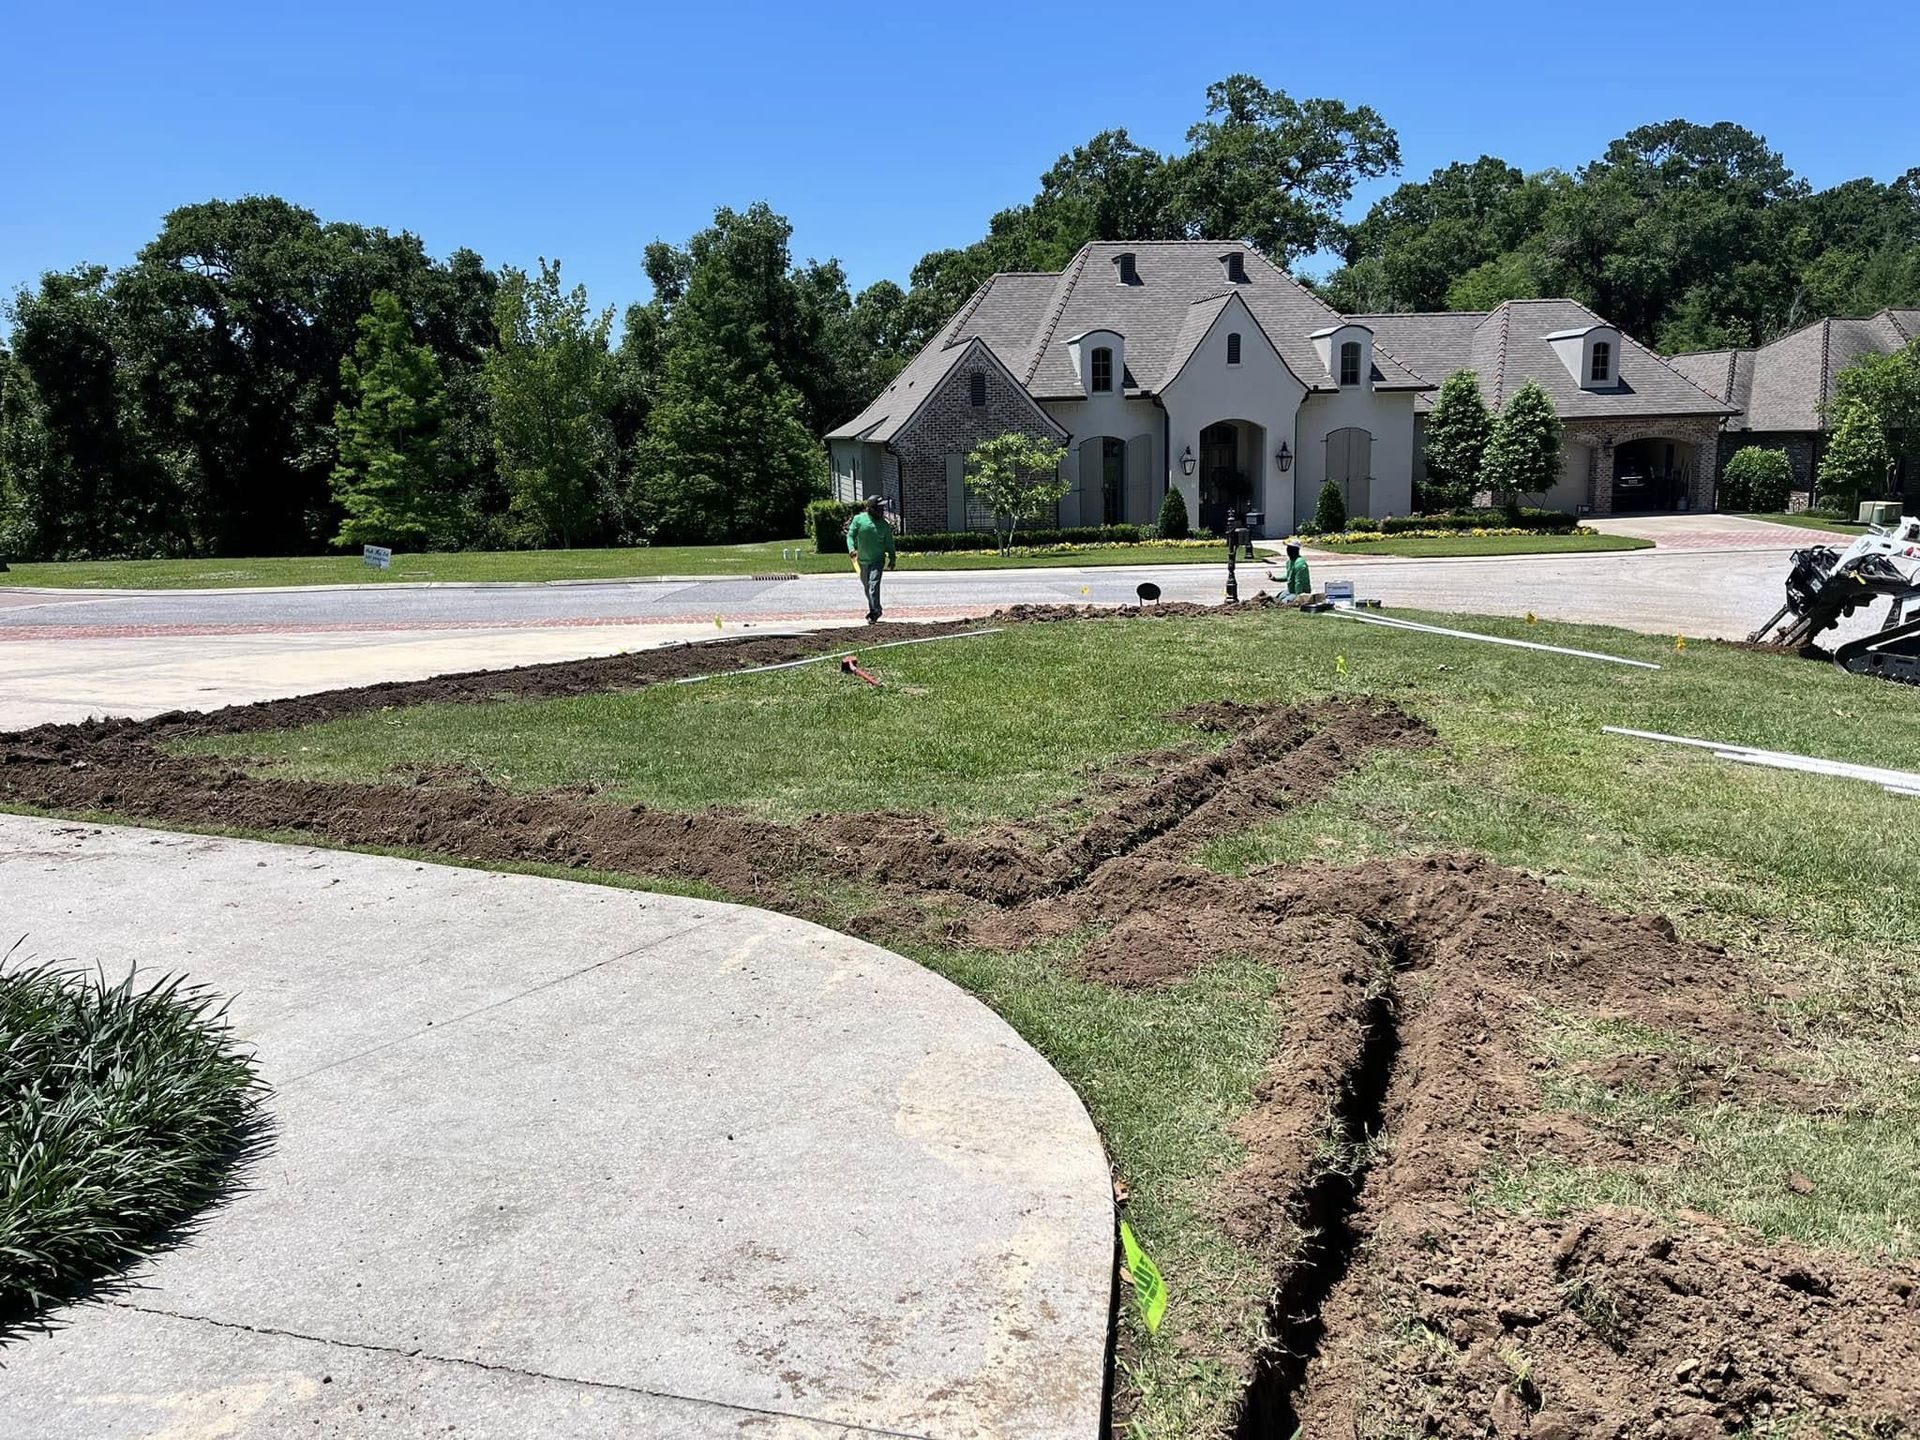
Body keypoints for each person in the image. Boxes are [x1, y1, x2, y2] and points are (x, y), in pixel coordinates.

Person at [846, 495, 897, 623]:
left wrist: (892, 558)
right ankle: (874, 609)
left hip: (877, 561)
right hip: (862, 561)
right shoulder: (859, 520)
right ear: (871, 509)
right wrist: (851, 549)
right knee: (867, 587)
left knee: (873, 585)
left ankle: (875, 611)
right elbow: (850, 535)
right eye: (879, 508)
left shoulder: (884, 526)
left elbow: (890, 543)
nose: (882, 511)